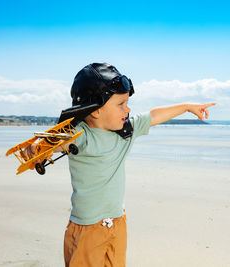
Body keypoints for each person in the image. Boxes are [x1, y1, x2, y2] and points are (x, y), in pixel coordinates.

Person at [25, 62, 215, 266]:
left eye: (127, 102)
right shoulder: (82, 135)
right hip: (87, 227)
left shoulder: (125, 131)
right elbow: (59, 140)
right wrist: (38, 147)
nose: (128, 109)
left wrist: (187, 107)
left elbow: (154, 116)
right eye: (121, 104)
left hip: (117, 221)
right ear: (95, 110)